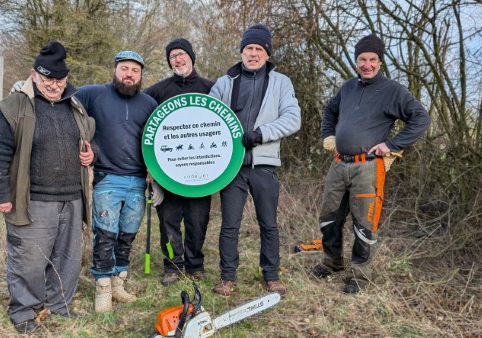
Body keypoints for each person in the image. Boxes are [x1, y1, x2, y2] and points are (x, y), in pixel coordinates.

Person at [0, 41, 95, 334]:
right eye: (48, 79)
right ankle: (23, 312)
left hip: (72, 198)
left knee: (67, 259)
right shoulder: (14, 106)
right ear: (34, 74)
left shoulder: (74, 104)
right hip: (33, 199)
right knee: (30, 260)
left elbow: (88, 134)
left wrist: (89, 152)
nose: (55, 86)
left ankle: (59, 307)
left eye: (60, 80)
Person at [312, 34, 430, 294]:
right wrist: (328, 136)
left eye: (372, 59)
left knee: (364, 223)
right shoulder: (347, 88)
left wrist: (392, 145)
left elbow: (420, 118)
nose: (367, 64)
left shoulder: (393, 91)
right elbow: (330, 111)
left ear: (380, 61)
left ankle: (359, 276)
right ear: (356, 61)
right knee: (328, 218)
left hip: (368, 167)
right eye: (362, 59)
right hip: (339, 164)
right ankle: (331, 263)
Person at [209, 24, 301, 296]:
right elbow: (209, 118)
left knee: (268, 224)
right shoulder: (224, 83)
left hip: (264, 165)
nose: (253, 53)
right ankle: (227, 278)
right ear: (241, 52)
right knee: (230, 225)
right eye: (249, 48)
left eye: (259, 49)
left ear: (267, 53)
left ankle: (271, 276)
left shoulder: (281, 82)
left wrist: (262, 134)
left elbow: (293, 119)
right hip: (233, 168)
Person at [75, 51, 158, 312]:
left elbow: (159, 140)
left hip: (137, 182)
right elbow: (67, 108)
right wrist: (87, 147)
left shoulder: (149, 104)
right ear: (115, 70)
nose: (129, 74)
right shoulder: (93, 94)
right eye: (124, 68)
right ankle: (102, 289)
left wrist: (157, 170)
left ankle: (118, 282)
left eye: (135, 70)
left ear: (141, 74)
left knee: (127, 236)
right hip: (107, 178)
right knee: (106, 235)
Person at [144, 38, 215, 286]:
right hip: (167, 174)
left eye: (181, 54)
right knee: (169, 222)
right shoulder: (156, 92)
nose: (177, 59)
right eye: (172, 55)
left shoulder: (211, 89)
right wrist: (148, 166)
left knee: (198, 221)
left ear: (191, 57)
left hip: (201, 174)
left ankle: (195, 265)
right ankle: (173, 266)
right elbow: (144, 129)